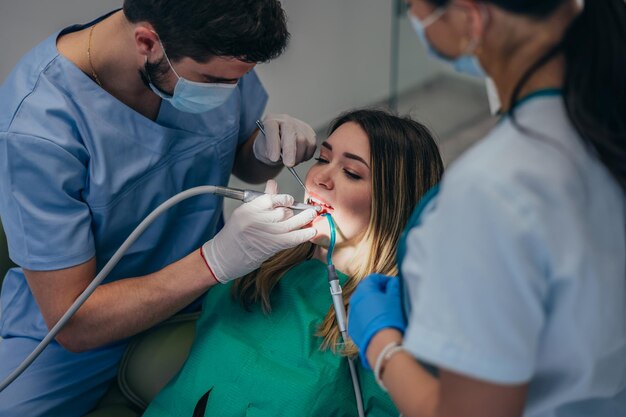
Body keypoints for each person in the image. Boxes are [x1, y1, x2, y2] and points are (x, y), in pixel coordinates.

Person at [0, 1, 321, 415]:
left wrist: (265, 151)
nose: (227, 93)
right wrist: (214, 261)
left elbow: (241, 158)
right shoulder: (38, 129)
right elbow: (74, 324)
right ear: (148, 42)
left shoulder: (213, 43)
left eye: (235, 82)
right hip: (81, 328)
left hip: (205, 297)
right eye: (211, 81)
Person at [348, 1, 626, 416]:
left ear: (471, 18)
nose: (418, 25)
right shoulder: (602, 131)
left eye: (414, 9)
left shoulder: (492, 190)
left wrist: (382, 344)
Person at [139, 109, 445, 417]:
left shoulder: (387, 321)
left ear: (396, 202)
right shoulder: (259, 265)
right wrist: (215, 260)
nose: (320, 178)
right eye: (322, 160)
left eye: (351, 172)